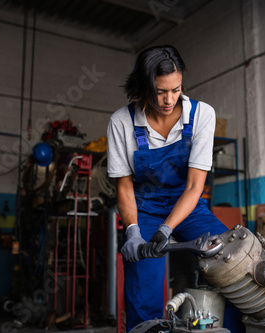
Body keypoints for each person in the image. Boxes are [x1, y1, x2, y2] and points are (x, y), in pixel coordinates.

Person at [106, 45, 229, 331]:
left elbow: (195, 186)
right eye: (160, 91)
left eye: (176, 89)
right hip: (144, 207)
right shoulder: (121, 122)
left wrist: (167, 229)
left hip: (188, 205)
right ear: (143, 87)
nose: (169, 99)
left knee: (227, 259)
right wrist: (134, 232)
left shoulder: (201, 115)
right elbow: (124, 188)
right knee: (142, 280)